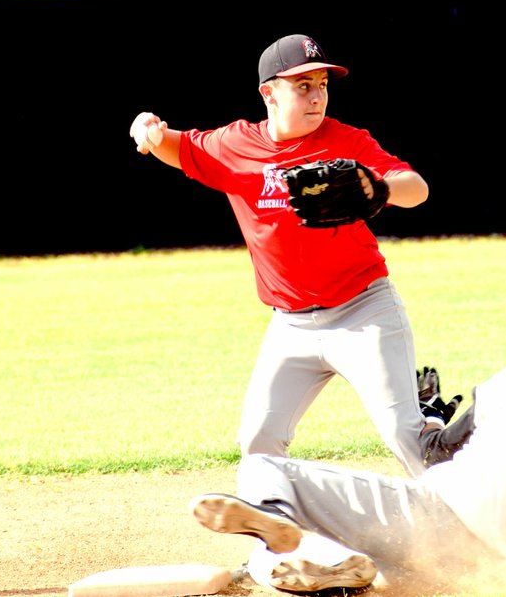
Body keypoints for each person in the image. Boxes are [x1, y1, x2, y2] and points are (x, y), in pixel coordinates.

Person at [129, 34, 432, 478]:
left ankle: (472, 519)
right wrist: (145, 127)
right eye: (302, 85)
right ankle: (273, 545)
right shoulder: (234, 146)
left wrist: (380, 187)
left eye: (322, 84)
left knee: (404, 433)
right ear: (268, 92)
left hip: (363, 311)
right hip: (291, 325)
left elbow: (418, 189)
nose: (317, 96)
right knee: (258, 441)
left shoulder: (347, 142)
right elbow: (168, 143)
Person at [188, 322, 506, 593]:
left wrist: (427, 419)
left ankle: (276, 514)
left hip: (428, 521)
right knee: (365, 579)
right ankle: (360, 577)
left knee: (261, 465)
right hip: (471, 570)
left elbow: (437, 453)